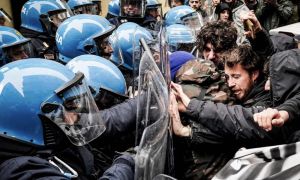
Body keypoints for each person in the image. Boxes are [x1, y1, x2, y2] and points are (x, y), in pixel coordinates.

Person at [169, 47, 300, 179]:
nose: (230, 83)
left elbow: (237, 123)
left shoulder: (266, 102)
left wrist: (190, 113)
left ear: (254, 75)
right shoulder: (246, 93)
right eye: (227, 77)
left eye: (236, 77)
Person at [0, 58, 136, 179]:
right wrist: (126, 163)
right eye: (70, 106)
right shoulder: (21, 171)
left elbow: (108, 120)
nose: (78, 114)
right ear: (31, 121)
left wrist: (144, 101)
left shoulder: (57, 134)